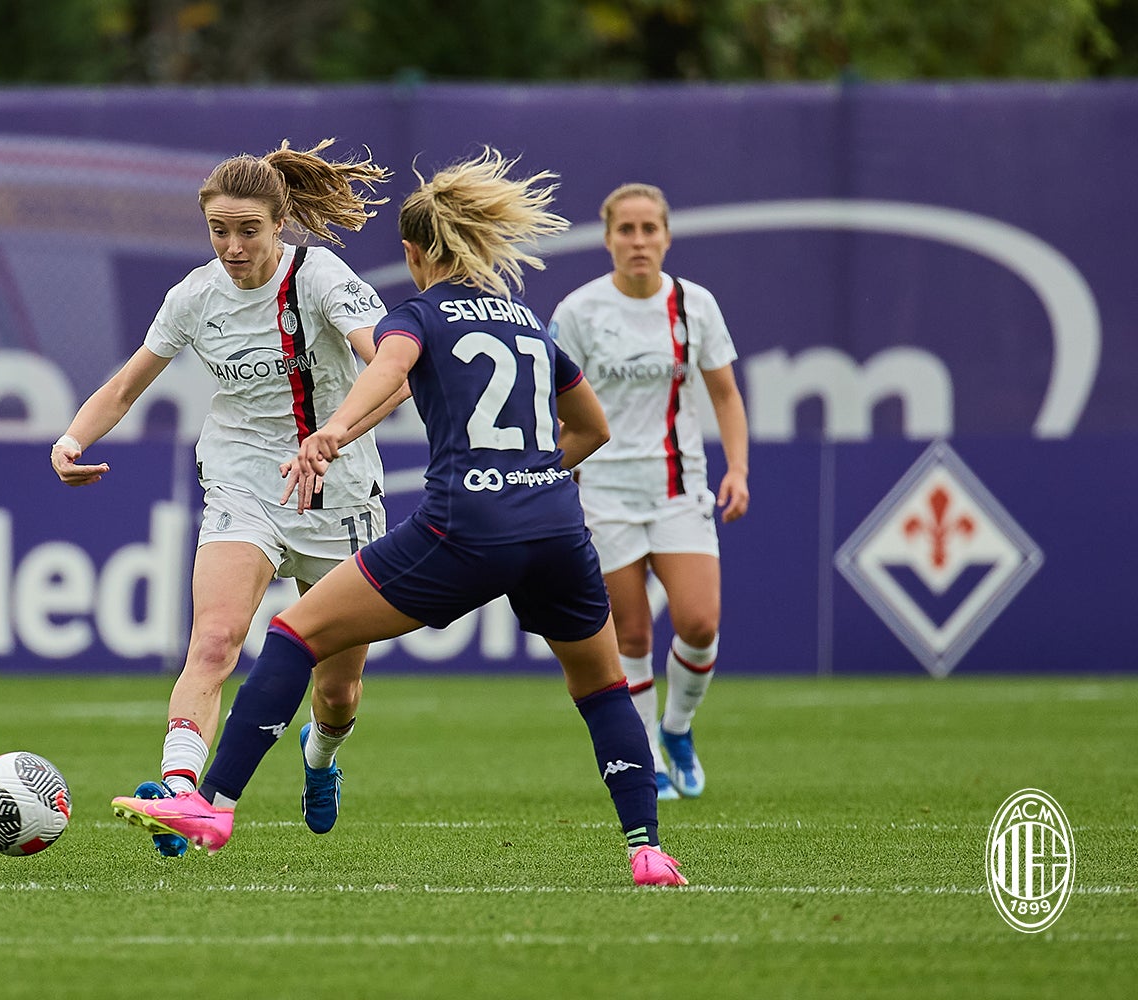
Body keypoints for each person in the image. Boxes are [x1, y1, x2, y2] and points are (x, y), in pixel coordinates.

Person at [112, 148, 689, 887]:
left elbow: (387, 370)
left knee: (293, 634)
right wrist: (536, 476)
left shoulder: (418, 313)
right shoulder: (527, 320)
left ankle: (213, 804)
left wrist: (332, 432)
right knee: (603, 686)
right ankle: (646, 848)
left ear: (416, 255)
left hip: (464, 528)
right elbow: (594, 427)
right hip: (555, 529)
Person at [51, 139, 408, 856]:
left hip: (338, 493)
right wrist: (70, 440)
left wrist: (334, 433)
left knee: (338, 694)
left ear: (280, 225)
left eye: (248, 229)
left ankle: (322, 756)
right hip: (244, 481)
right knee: (214, 641)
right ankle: (181, 791)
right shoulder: (193, 296)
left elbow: (394, 374)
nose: (233, 245)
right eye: (219, 230)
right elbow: (126, 385)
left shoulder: (322, 279)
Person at [547, 182, 750, 801]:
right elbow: (552, 402)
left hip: (678, 487)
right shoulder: (579, 311)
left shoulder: (694, 305)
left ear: (666, 236)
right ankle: (650, 758)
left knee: (699, 622)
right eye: (626, 230)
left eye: (649, 229)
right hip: (602, 493)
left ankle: (679, 727)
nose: (638, 241)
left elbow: (724, 394)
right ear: (608, 238)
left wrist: (737, 469)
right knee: (630, 637)